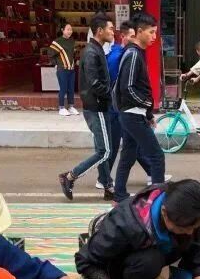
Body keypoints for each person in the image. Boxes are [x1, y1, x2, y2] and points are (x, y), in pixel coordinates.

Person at [76, 179, 200, 279]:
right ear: (164, 212)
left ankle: (181, 278)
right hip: (127, 261)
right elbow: (84, 261)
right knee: (149, 261)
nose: (190, 233)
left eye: (193, 227)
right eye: (183, 228)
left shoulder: (189, 213)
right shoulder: (125, 225)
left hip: (163, 246)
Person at [104, 21, 171, 190]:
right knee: (156, 156)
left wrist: (148, 113)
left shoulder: (135, 53)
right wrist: (147, 104)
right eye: (151, 32)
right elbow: (128, 88)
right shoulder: (133, 54)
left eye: (156, 33)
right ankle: (155, 200)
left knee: (128, 155)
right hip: (132, 114)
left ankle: (119, 195)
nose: (154, 37)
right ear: (139, 32)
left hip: (132, 113)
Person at [59, 16, 116, 202]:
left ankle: (108, 187)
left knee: (102, 148)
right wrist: (112, 94)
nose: (112, 32)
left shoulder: (96, 49)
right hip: (96, 106)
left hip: (101, 105)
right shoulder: (92, 52)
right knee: (105, 151)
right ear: (99, 31)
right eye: (110, 29)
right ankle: (69, 176)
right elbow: (94, 83)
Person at [50, 23, 78, 116]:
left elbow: (72, 55)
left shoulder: (72, 41)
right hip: (62, 70)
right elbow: (50, 54)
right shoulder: (57, 42)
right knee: (63, 88)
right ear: (62, 30)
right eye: (67, 29)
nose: (70, 31)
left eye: (71, 29)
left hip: (71, 69)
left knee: (71, 89)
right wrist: (56, 64)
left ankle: (71, 107)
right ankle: (61, 107)